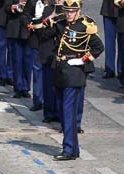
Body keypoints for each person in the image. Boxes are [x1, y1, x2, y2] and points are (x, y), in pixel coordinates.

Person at [53, 0, 103, 160]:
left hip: (75, 72)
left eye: (71, 11)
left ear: (78, 11)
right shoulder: (60, 24)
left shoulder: (85, 25)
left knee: (68, 113)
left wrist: (83, 60)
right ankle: (73, 149)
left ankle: (68, 149)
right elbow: (43, 33)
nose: (68, 14)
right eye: (66, 11)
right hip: (62, 71)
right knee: (62, 111)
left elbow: (98, 47)